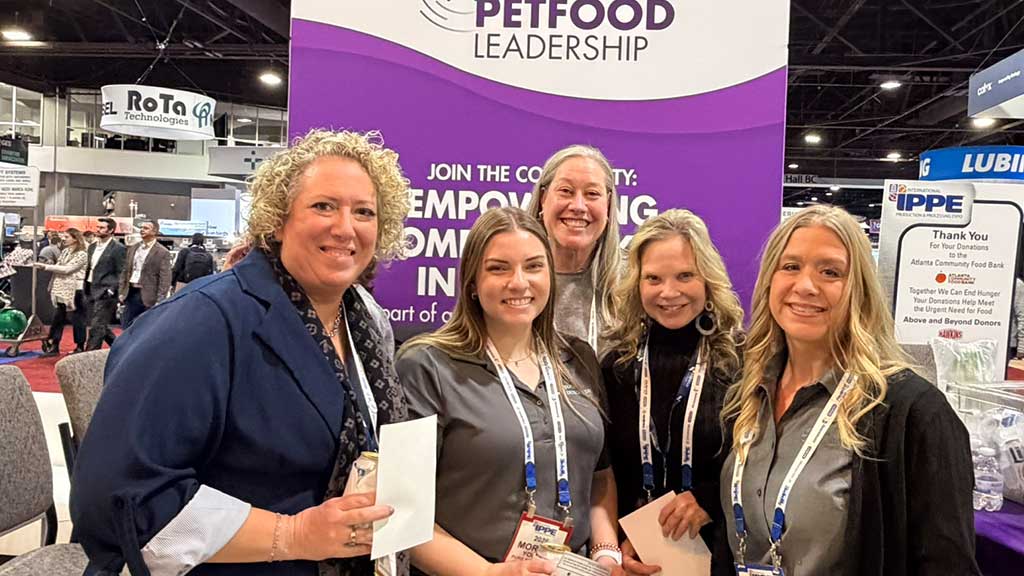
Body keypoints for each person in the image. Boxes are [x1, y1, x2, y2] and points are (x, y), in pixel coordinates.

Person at [70, 129, 412, 576]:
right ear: (277, 219)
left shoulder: (364, 323)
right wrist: (291, 535)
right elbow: (118, 497)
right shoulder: (202, 322)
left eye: (364, 212)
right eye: (323, 206)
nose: (345, 227)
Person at [719, 205, 979, 576]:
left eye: (830, 272)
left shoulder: (912, 411)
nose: (806, 286)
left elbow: (947, 563)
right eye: (790, 266)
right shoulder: (746, 394)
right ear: (770, 281)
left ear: (859, 289)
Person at [396, 207, 621, 576]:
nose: (519, 283)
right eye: (498, 268)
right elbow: (403, 513)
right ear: (471, 280)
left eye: (533, 266)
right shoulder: (424, 366)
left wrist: (606, 554)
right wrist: (490, 574)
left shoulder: (579, 359)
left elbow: (599, 476)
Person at [601, 210, 743, 576]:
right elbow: (607, 472)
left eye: (685, 276)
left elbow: (759, 464)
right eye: (654, 278)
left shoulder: (743, 360)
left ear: (708, 280)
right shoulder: (616, 364)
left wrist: (711, 499)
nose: (669, 292)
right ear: (637, 283)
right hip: (633, 553)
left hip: (721, 552)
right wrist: (616, 547)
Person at [526, 145, 621, 354]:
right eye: (566, 191)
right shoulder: (515, 280)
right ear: (543, 198)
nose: (578, 206)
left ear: (608, 204)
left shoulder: (632, 283)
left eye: (592, 194)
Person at [36, 228, 89, 355]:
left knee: (78, 319)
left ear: (75, 239)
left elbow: (67, 269)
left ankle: (80, 346)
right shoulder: (65, 251)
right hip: (61, 288)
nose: (63, 239)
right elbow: (60, 267)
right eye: (63, 236)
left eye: (67, 237)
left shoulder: (82, 254)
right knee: (58, 317)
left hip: (76, 289)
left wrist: (45, 266)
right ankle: (54, 345)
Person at [119, 220, 172, 329]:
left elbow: (165, 278)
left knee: (145, 328)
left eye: (146, 228)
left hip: (149, 296)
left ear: (155, 231)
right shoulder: (133, 248)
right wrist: (121, 290)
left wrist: (160, 299)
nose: (142, 230)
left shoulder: (163, 252)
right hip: (130, 292)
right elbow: (125, 271)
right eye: (141, 227)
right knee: (126, 326)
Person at [83, 217, 126, 350]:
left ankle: (89, 355)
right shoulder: (92, 247)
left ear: (111, 230)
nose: (98, 230)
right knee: (100, 324)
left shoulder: (118, 248)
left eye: (102, 228)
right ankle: (120, 348)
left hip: (106, 291)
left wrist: (113, 289)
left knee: (97, 326)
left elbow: (122, 272)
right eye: (97, 227)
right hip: (90, 288)